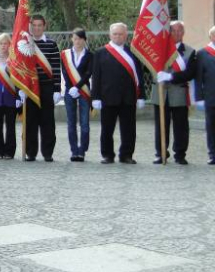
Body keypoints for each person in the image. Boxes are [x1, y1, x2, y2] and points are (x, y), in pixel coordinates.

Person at [91, 22, 146, 164]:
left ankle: (126, 155)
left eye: (121, 34)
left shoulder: (133, 52)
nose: (117, 36)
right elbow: (96, 76)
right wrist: (95, 97)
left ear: (126, 35)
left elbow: (139, 75)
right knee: (107, 129)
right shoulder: (100, 52)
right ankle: (108, 155)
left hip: (129, 97)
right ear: (110, 35)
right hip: (107, 97)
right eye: (115, 34)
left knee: (129, 129)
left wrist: (141, 95)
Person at [153, 21, 197, 164]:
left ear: (183, 33)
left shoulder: (190, 51)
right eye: (173, 31)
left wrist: (171, 77)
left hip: (179, 93)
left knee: (181, 126)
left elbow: (190, 73)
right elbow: (148, 67)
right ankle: (161, 153)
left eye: (180, 31)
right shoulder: (159, 50)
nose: (176, 34)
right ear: (168, 32)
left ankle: (180, 154)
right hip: (160, 92)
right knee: (161, 125)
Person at [24, 15, 61, 162]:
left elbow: (56, 67)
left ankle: (47, 153)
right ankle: (30, 153)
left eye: (40, 25)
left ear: (44, 26)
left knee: (48, 122)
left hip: (46, 87)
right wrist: (20, 88)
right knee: (30, 122)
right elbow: (21, 67)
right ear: (30, 26)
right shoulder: (25, 44)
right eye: (34, 25)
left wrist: (57, 89)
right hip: (30, 88)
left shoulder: (51, 44)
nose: (37, 28)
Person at [0, 33, 21, 159]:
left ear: (9, 45)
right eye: (1, 43)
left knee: (10, 126)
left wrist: (18, 97)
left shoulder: (14, 61)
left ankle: (9, 152)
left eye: (5, 43)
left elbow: (18, 80)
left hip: (11, 97)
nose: (3, 46)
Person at [61, 28, 92, 162]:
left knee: (84, 123)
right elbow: (65, 72)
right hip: (69, 91)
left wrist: (77, 87)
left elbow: (88, 73)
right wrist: (71, 87)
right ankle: (74, 151)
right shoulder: (65, 54)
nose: (77, 41)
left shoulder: (90, 55)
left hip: (84, 89)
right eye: (75, 38)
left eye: (80, 39)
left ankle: (82, 151)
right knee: (71, 122)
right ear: (71, 39)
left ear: (84, 40)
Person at [195, 26, 215, 165]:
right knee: (211, 127)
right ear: (211, 37)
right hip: (211, 97)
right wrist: (199, 98)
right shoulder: (202, 53)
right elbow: (198, 78)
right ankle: (213, 154)